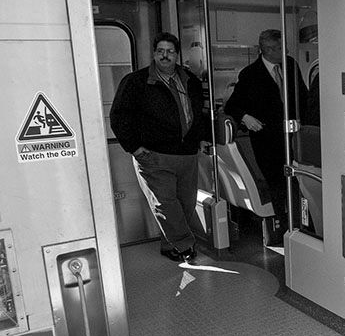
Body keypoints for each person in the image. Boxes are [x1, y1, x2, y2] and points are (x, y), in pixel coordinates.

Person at [110, 32, 210, 263]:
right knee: (166, 204)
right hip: (154, 156)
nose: (165, 56)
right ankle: (185, 246)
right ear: (154, 54)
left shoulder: (191, 81)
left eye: (170, 51)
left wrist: (201, 138)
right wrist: (134, 148)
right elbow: (119, 117)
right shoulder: (136, 82)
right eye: (160, 51)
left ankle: (169, 245)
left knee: (185, 204)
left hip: (186, 155)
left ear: (177, 55)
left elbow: (198, 114)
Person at [223, 29, 308, 225]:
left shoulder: (290, 66)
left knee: (298, 181)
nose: (285, 51)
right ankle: (285, 226)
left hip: (293, 135)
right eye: (280, 48)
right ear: (268, 50)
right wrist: (246, 118)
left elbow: (303, 97)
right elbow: (232, 105)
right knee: (276, 183)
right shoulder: (250, 74)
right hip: (266, 140)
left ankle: (302, 224)